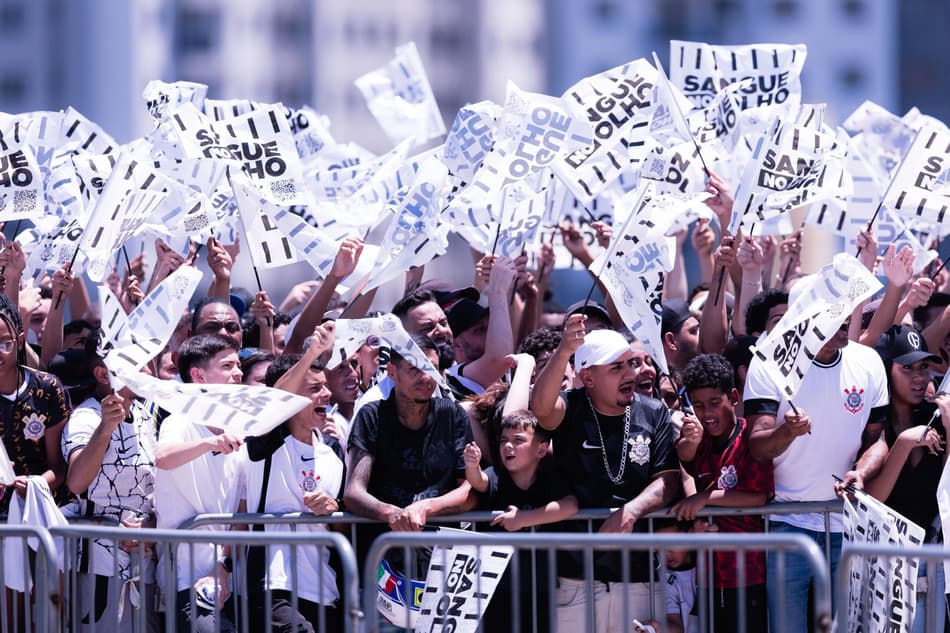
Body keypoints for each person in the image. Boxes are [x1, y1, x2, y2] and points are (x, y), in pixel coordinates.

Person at [530, 318, 680, 632]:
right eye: (616, 368)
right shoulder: (571, 407)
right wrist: (564, 350)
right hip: (575, 580)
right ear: (588, 377)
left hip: (638, 576)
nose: (630, 374)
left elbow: (667, 479)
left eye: (631, 364)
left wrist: (632, 511)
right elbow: (541, 408)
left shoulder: (653, 411)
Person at [744, 311, 889, 633]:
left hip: (847, 523)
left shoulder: (868, 360)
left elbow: (878, 440)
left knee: (848, 629)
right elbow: (757, 446)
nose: (844, 321)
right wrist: (788, 432)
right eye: (833, 314)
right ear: (807, 317)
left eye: (846, 313)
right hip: (786, 521)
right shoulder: (770, 360)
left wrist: (861, 472)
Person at [344, 335, 474, 627]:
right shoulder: (372, 415)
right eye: (414, 368)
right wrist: (393, 514)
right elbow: (353, 492)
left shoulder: (452, 414)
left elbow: (470, 489)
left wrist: (425, 508)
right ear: (392, 372)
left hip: (444, 570)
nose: (425, 377)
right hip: (383, 570)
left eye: (431, 368)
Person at [52, 339, 160, 632]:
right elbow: (76, 481)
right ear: (102, 374)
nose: (147, 371)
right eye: (136, 365)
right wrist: (105, 428)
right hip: (98, 565)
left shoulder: (146, 417)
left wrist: (150, 528)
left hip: (146, 562)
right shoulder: (86, 417)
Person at [243, 323, 346, 632]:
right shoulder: (266, 440)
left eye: (325, 387)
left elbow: (342, 518)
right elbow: (275, 402)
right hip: (274, 585)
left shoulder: (333, 451)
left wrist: (332, 506)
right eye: (314, 389)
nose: (327, 394)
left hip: (326, 589)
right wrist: (312, 351)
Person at [672, 353, 772, 632]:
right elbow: (684, 460)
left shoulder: (749, 438)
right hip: (707, 576)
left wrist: (705, 498)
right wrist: (689, 441)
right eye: (700, 406)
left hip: (750, 574)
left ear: (734, 397)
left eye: (715, 403)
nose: (707, 414)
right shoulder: (699, 438)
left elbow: (758, 496)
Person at [154, 334, 246, 633]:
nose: (239, 373)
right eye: (228, 365)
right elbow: (163, 457)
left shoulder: (240, 428)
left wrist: (224, 568)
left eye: (239, 364)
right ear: (197, 375)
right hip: (185, 578)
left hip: (230, 579)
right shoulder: (179, 422)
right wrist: (210, 442)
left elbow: (243, 509)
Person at [464, 409, 578, 632]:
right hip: (497, 588)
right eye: (503, 440)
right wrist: (471, 466)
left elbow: (570, 505)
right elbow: (479, 481)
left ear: (541, 449)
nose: (508, 446)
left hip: (541, 588)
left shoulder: (550, 480)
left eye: (518, 441)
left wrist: (523, 519)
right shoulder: (496, 475)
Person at [867, 325, 948, 633]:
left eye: (924, 368)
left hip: (932, 560)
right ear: (887, 370)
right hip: (884, 565)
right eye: (907, 368)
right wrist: (903, 444)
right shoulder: (875, 423)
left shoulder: (936, 417)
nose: (919, 377)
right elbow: (874, 497)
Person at [0, 292, 70, 511]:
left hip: (45, 515)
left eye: (4, 344)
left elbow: (59, 467)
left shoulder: (47, 389)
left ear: (20, 341)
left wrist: (35, 485)